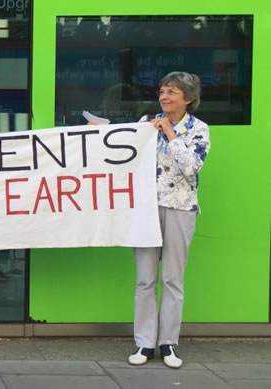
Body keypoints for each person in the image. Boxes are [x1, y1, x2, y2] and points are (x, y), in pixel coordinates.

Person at [127, 71, 210, 369]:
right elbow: (119, 151)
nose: (164, 96)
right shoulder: (144, 124)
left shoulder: (199, 129)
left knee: (172, 279)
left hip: (180, 208)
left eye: (172, 91)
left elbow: (192, 167)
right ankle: (144, 342)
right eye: (162, 90)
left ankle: (168, 343)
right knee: (145, 278)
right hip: (146, 210)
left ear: (188, 98)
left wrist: (170, 134)